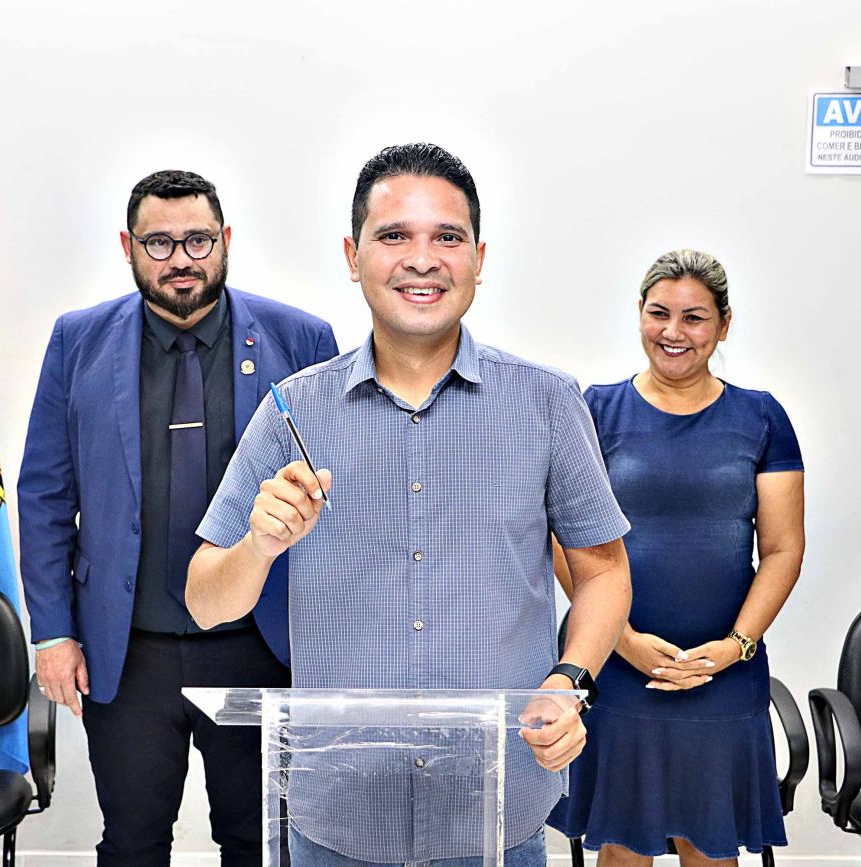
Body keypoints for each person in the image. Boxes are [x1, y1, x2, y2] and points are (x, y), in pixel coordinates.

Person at [187, 143, 633, 866]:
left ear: (478, 259)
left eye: (447, 237)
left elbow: (605, 571)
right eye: (394, 235)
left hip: (498, 811)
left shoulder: (547, 403)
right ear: (353, 255)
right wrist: (258, 547)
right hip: (338, 819)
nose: (421, 260)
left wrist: (569, 679)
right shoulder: (293, 410)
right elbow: (206, 600)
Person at [18, 170, 338, 866]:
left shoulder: (300, 339)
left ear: (225, 241)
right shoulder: (78, 341)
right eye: (158, 243)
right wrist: (54, 632)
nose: (181, 259)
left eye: (198, 240)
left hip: (260, 645)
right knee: (132, 844)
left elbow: (335, 501)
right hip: (128, 649)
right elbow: (45, 495)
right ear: (128, 247)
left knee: (261, 844)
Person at [548, 249, 806, 865]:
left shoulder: (761, 416)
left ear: (724, 324)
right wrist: (622, 640)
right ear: (639, 313)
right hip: (614, 664)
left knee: (711, 847)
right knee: (621, 846)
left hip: (724, 672)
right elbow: (562, 539)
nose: (673, 331)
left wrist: (735, 647)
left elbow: (782, 548)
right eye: (659, 313)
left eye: (694, 317)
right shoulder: (595, 408)